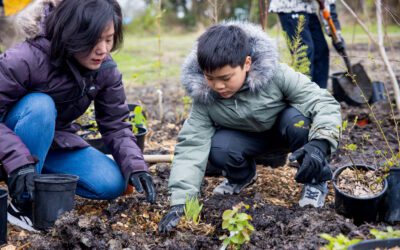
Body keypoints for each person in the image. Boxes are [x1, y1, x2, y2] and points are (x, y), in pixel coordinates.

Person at [158, 21, 341, 233]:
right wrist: (180, 203)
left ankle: (315, 181)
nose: (218, 86)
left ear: (246, 63)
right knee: (218, 147)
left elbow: (322, 102)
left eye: (225, 78)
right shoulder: (205, 97)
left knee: (299, 121)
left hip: (285, 135)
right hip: (246, 142)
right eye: (210, 78)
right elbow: (191, 145)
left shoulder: (277, 75)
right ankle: (242, 176)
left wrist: (320, 145)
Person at [0, 0, 155, 232]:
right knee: (40, 105)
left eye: (109, 39)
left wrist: (136, 165)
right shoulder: (24, 59)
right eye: (94, 40)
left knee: (111, 183)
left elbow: (115, 125)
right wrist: (17, 160)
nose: (103, 49)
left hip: (51, 142)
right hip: (8, 147)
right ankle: (24, 203)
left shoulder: (105, 69)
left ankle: (37, 175)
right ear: (71, 35)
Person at [268, 0, 344, 89]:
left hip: (308, 9)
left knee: (321, 50)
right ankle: (303, 94)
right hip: (289, 7)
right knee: (304, 52)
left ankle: (319, 95)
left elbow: (327, 4)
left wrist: (336, 35)